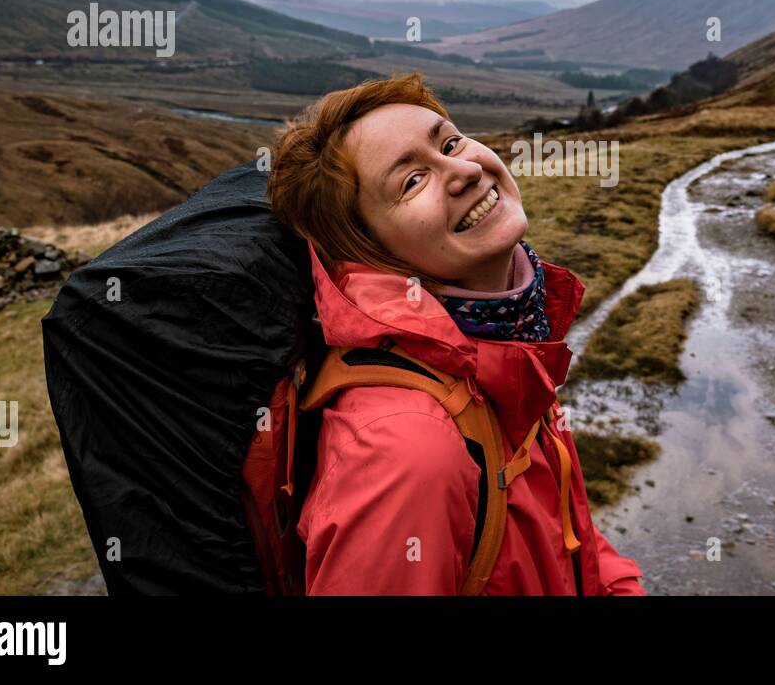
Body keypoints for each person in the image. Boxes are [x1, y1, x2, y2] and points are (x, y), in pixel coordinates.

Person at [266, 71, 646, 595]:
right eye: (411, 181)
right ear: (368, 249)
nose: (463, 170)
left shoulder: (501, 344)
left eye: (449, 142)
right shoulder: (406, 454)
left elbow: (570, 537)